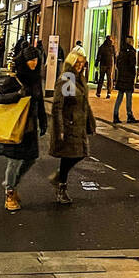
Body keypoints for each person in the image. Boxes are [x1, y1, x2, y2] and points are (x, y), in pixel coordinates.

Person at [0, 45, 47, 212]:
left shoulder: (36, 79)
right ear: (24, 60)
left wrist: (43, 120)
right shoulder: (15, 79)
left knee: (31, 158)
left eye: (36, 60)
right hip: (16, 126)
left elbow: (40, 101)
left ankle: (13, 184)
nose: (34, 63)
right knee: (14, 161)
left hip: (30, 127)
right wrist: (17, 95)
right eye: (31, 60)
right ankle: (9, 192)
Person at [48, 47, 96, 205]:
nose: (80, 66)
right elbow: (58, 105)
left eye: (82, 63)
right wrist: (59, 128)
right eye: (77, 63)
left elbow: (84, 103)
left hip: (78, 124)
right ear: (71, 62)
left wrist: (90, 122)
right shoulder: (67, 79)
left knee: (80, 153)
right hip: (68, 124)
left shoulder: (80, 79)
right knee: (69, 155)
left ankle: (59, 178)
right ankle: (61, 187)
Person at [112, 34, 139, 124]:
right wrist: (133, 74)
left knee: (120, 96)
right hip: (128, 77)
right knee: (128, 97)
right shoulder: (131, 52)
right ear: (131, 42)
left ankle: (115, 115)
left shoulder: (122, 51)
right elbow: (132, 64)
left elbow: (118, 64)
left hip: (121, 77)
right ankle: (129, 115)